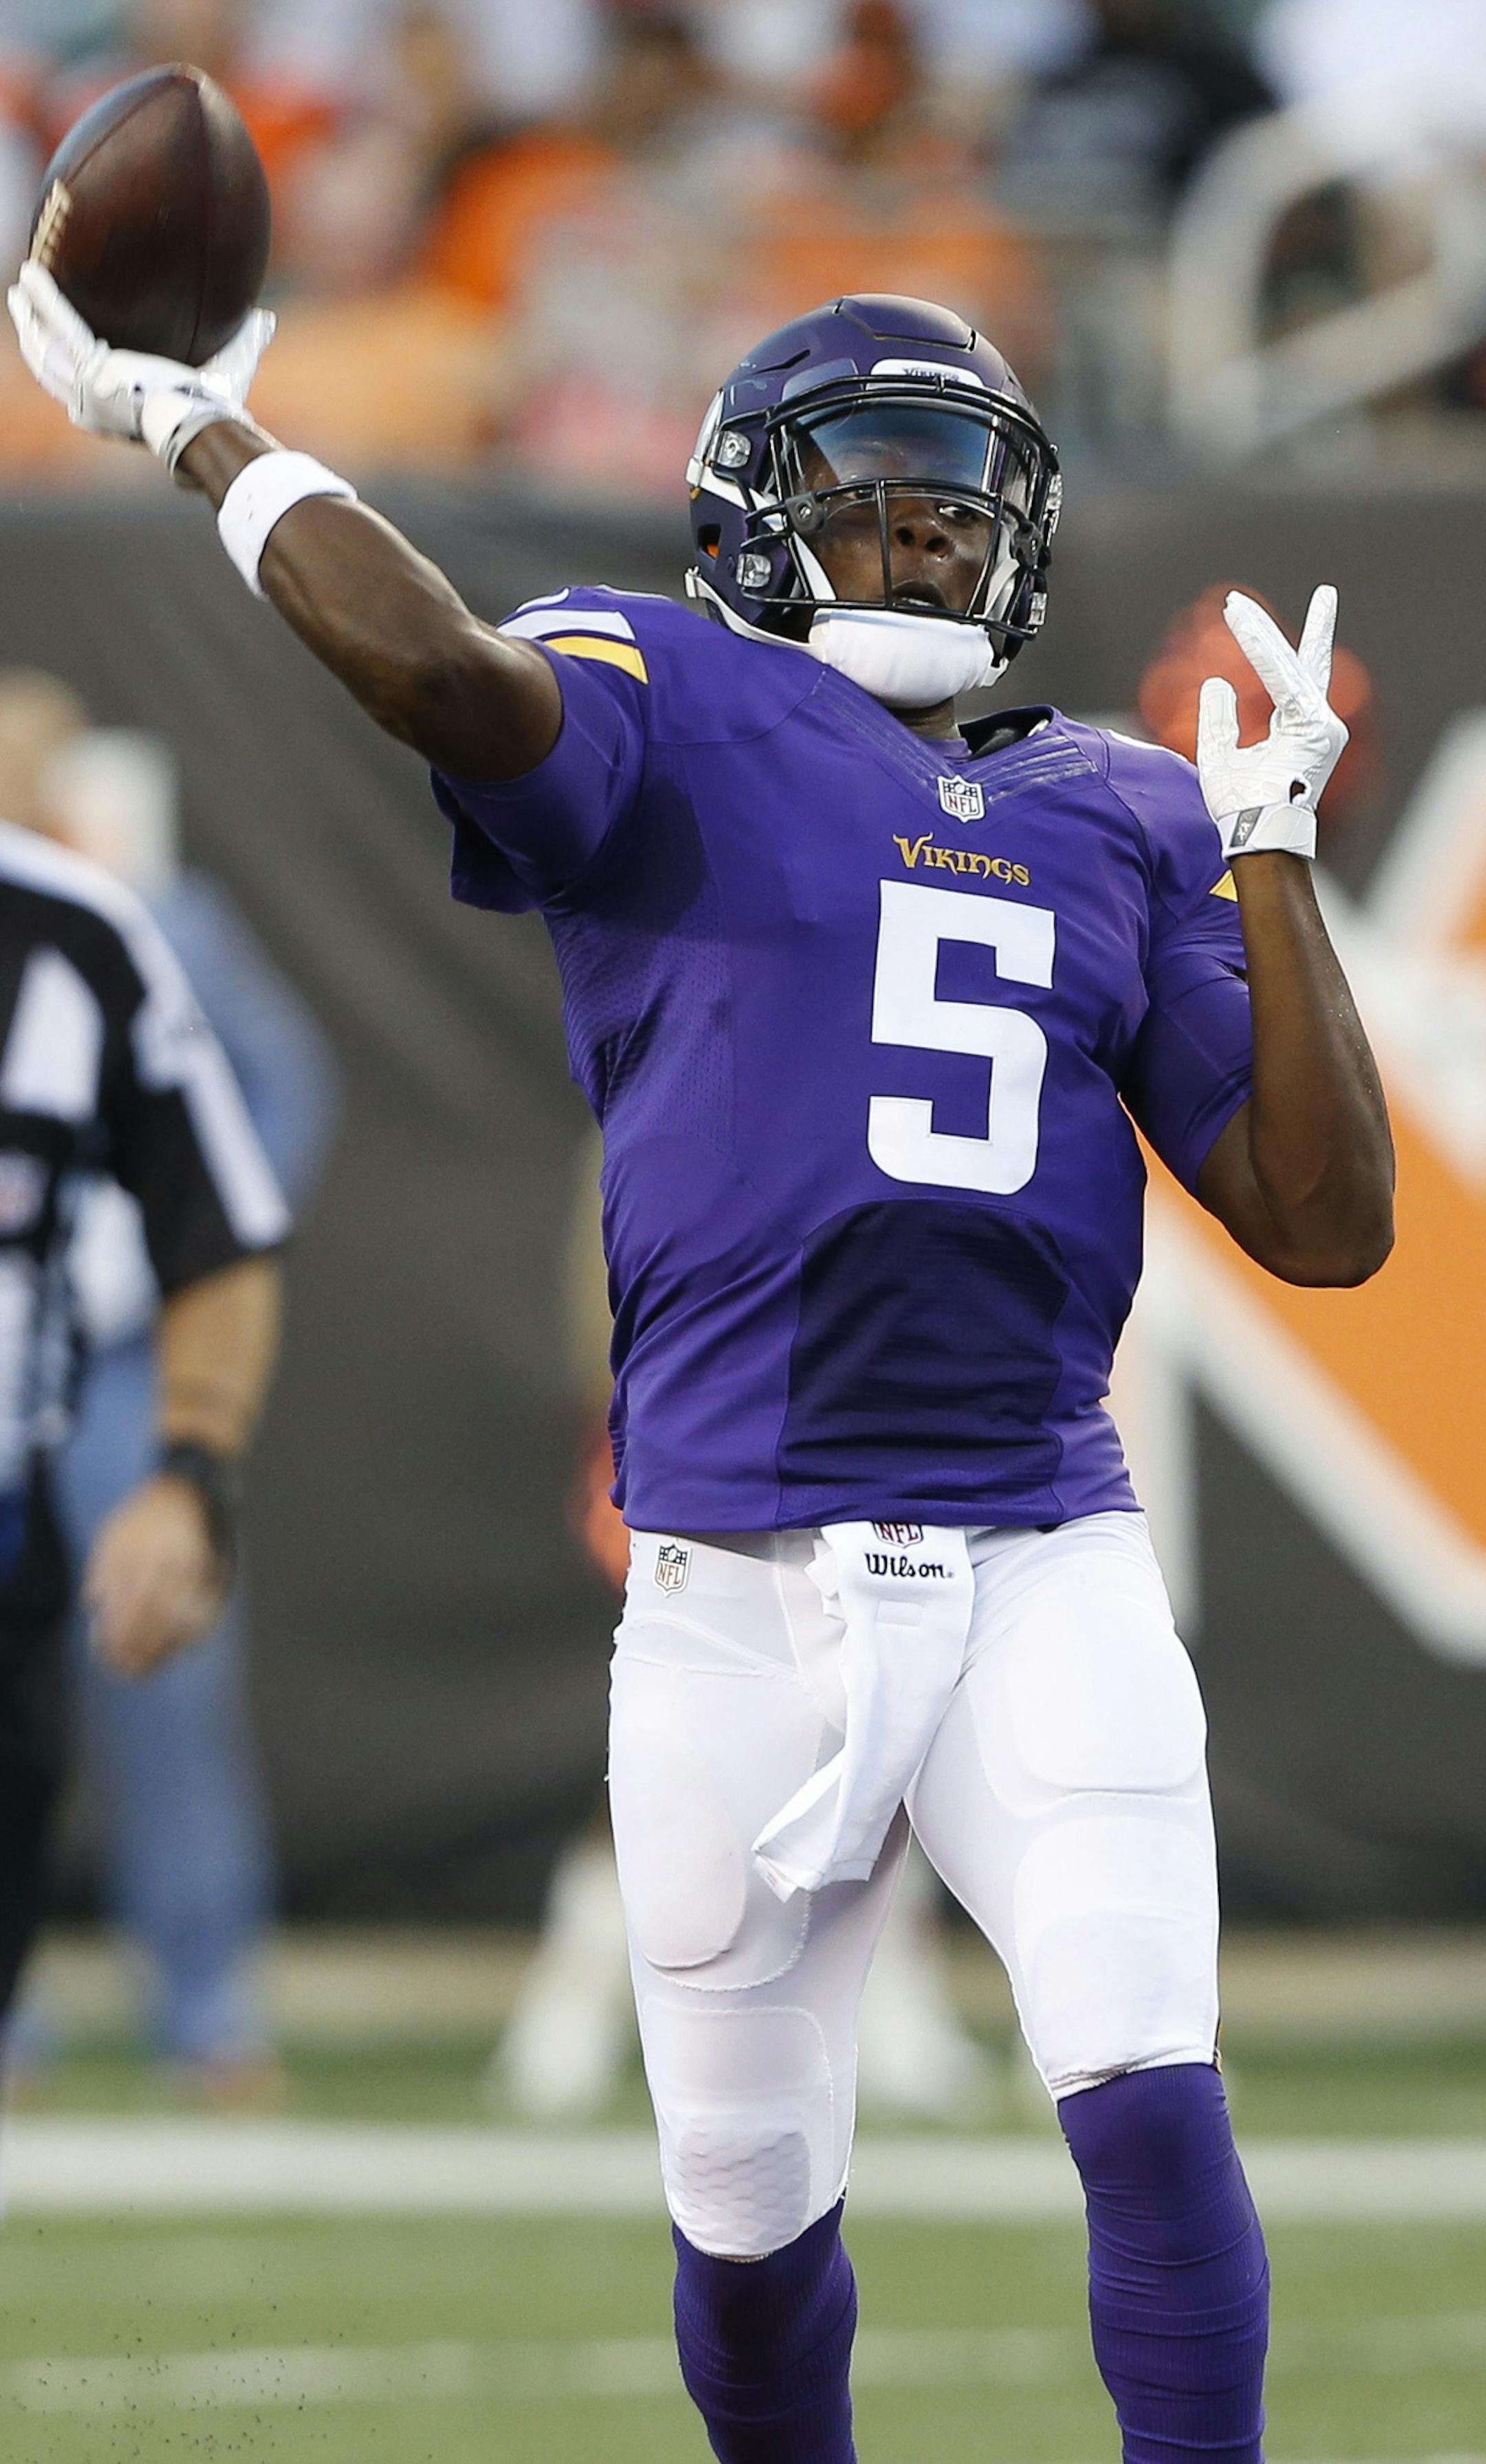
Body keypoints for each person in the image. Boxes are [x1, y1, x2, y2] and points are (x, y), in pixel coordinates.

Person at [9, 269, 1395, 2461]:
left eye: (958, 501)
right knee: (749, 2237)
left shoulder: (1129, 809)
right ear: (750, 515)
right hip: (730, 1579)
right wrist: (207, 433)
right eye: (875, 493)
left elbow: (1326, 1221)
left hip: (1043, 1552)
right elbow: (438, 677)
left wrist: (1277, 854)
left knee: (1150, 2099)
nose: (924, 537)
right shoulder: (662, 685)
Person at [8, 704, 335, 2090]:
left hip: (115, 1362)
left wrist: (180, 1240)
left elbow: (275, 1099)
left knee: (168, 1677)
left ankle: (205, 1995)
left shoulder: (140, 923)